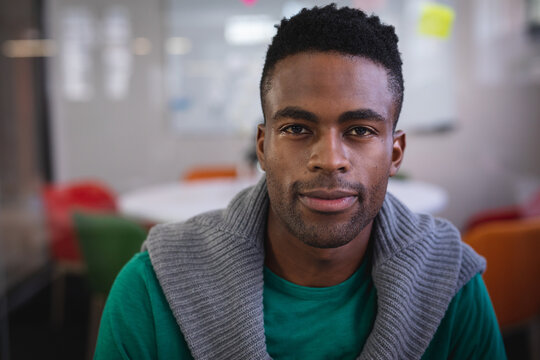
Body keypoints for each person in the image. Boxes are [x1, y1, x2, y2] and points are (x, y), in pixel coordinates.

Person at [94, 4, 507, 359]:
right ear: (262, 145)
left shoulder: (451, 284)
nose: (329, 160)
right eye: (296, 128)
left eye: (360, 130)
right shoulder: (151, 290)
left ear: (395, 152)